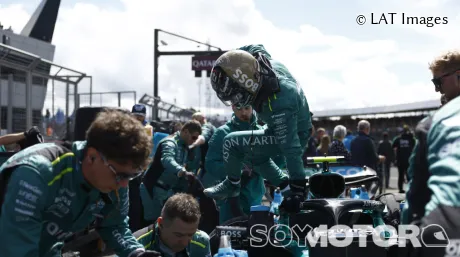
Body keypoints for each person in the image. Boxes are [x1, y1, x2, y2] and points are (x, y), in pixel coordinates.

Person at [0, 109, 161, 257]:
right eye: (121, 175)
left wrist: (135, 252)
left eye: (131, 176)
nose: (125, 184)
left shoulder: (114, 178)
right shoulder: (37, 173)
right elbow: (16, 250)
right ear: (92, 157)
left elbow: (113, 225)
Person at [204, 44, 312, 202]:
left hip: (295, 131)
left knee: (231, 142)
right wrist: (229, 60)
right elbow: (256, 47)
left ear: (249, 83)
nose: (237, 102)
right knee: (250, 153)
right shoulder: (261, 63)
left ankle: (233, 184)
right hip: (283, 123)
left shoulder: (280, 100)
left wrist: (298, 188)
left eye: (236, 95)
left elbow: (291, 149)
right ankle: (284, 185)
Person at [401, 50, 460, 257]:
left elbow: (415, 194)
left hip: (449, 225)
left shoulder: (433, 123)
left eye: (438, 83)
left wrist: (406, 239)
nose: (438, 91)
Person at [203, 105, 288, 224]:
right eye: (239, 108)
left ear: (252, 106)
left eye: (247, 108)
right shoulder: (222, 133)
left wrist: (281, 151)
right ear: (232, 107)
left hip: (255, 197)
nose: (243, 112)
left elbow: (275, 164)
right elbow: (211, 164)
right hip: (230, 200)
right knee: (230, 238)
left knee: (256, 238)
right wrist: (238, 170)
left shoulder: (262, 132)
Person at [140, 120, 202, 225]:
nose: (194, 141)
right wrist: (182, 171)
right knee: (153, 225)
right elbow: (167, 159)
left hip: (167, 191)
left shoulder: (185, 147)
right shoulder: (170, 142)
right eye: (194, 137)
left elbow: (192, 166)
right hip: (153, 190)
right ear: (185, 132)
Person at [135, 193, 211, 257]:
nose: (184, 243)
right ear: (161, 223)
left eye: (191, 235)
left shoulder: (201, 242)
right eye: (178, 235)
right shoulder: (136, 246)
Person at [188, 112, 216, 177]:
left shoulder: (206, 127)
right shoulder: (214, 128)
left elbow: (202, 137)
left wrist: (193, 145)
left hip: (207, 166)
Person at [392, 125, 415, 193]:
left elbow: (393, 145)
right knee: (409, 175)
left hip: (400, 160)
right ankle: (410, 188)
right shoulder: (411, 138)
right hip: (409, 160)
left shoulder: (398, 138)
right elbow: (414, 144)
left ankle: (400, 189)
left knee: (401, 175)